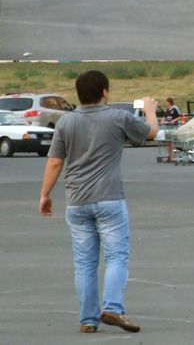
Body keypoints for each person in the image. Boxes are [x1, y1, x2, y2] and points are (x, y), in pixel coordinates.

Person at [39, 70, 158, 334]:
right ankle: (113, 307)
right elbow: (150, 133)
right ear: (104, 91)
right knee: (116, 256)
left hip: (76, 201)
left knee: (84, 262)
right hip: (109, 198)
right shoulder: (117, 117)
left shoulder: (65, 122)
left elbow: (55, 161)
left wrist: (45, 194)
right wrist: (150, 111)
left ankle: (88, 319)